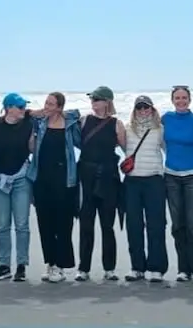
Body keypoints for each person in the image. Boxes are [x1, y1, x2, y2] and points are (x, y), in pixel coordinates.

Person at [26, 92, 81, 283]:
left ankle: (61, 266)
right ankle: (49, 263)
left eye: (51, 104)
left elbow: (81, 139)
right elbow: (25, 113)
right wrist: (40, 111)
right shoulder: (40, 124)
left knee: (63, 224)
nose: (47, 107)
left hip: (65, 180)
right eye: (46, 103)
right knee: (45, 223)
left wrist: (65, 114)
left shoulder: (69, 124)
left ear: (59, 107)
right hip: (42, 179)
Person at [75, 86, 126, 282]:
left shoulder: (116, 124)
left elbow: (127, 149)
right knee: (86, 224)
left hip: (108, 178)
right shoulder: (84, 120)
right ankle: (83, 268)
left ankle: (109, 268)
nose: (93, 103)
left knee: (107, 225)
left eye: (97, 99)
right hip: (86, 177)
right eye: (92, 99)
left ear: (107, 102)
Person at [162, 85, 193, 283]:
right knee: (177, 225)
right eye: (177, 98)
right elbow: (160, 141)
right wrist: (170, 154)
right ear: (172, 100)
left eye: (184, 98)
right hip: (171, 175)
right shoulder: (165, 119)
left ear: (189, 100)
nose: (181, 101)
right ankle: (184, 269)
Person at [0, 93, 34, 282]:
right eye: (20, 106)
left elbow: (33, 148)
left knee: (22, 224)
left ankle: (21, 266)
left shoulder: (29, 125)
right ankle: (4, 265)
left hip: (21, 178)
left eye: (24, 107)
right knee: (3, 224)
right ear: (9, 108)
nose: (23, 110)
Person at [122, 95, 168, 283]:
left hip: (154, 181)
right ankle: (137, 267)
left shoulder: (160, 129)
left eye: (146, 107)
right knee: (134, 225)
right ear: (134, 110)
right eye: (139, 107)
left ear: (152, 108)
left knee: (156, 225)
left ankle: (157, 268)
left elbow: (168, 150)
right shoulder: (126, 129)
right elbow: (122, 147)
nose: (143, 110)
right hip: (132, 182)